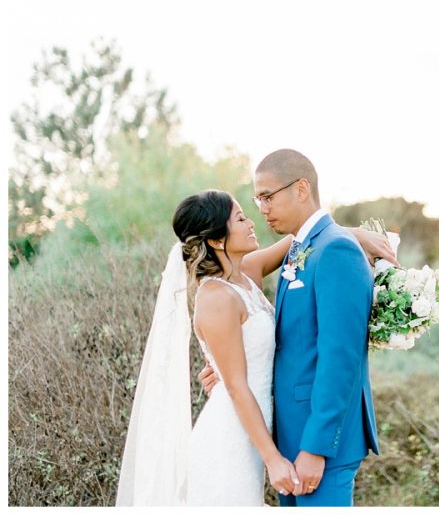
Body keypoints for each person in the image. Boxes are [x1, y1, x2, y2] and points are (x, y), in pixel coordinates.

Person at [116, 188, 395, 506]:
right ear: (217, 240)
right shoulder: (216, 298)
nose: (252, 221)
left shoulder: (247, 272)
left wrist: (353, 232)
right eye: (239, 218)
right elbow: (236, 387)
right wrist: (272, 459)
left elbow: (306, 238)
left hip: (263, 428)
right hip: (232, 434)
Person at [199, 149, 380, 506]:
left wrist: (315, 447)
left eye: (268, 197)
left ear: (300, 189)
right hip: (288, 435)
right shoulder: (301, 248)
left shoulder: (335, 250)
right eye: (257, 199)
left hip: (319, 441)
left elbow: (340, 359)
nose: (261, 210)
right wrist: (226, 368)